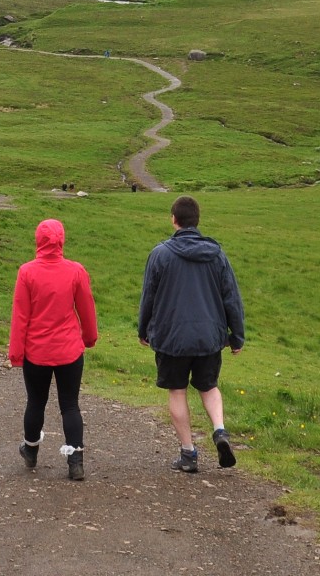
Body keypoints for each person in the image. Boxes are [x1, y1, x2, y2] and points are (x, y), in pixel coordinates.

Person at [137, 195, 245, 474]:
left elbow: (148, 296)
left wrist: (143, 329)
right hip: (209, 337)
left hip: (171, 337)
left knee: (178, 390)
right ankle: (220, 430)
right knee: (208, 386)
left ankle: (188, 453)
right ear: (197, 221)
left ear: (174, 220)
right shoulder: (217, 254)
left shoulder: (160, 254)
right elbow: (231, 297)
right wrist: (237, 336)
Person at [9, 218, 97, 481]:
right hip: (69, 349)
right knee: (70, 405)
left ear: (38, 240)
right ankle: (76, 461)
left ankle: (31, 451)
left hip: (37, 351)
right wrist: (89, 338)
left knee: (36, 402)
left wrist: (16, 353)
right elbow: (86, 309)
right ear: (61, 240)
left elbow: (20, 315)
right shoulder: (76, 271)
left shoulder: (27, 272)